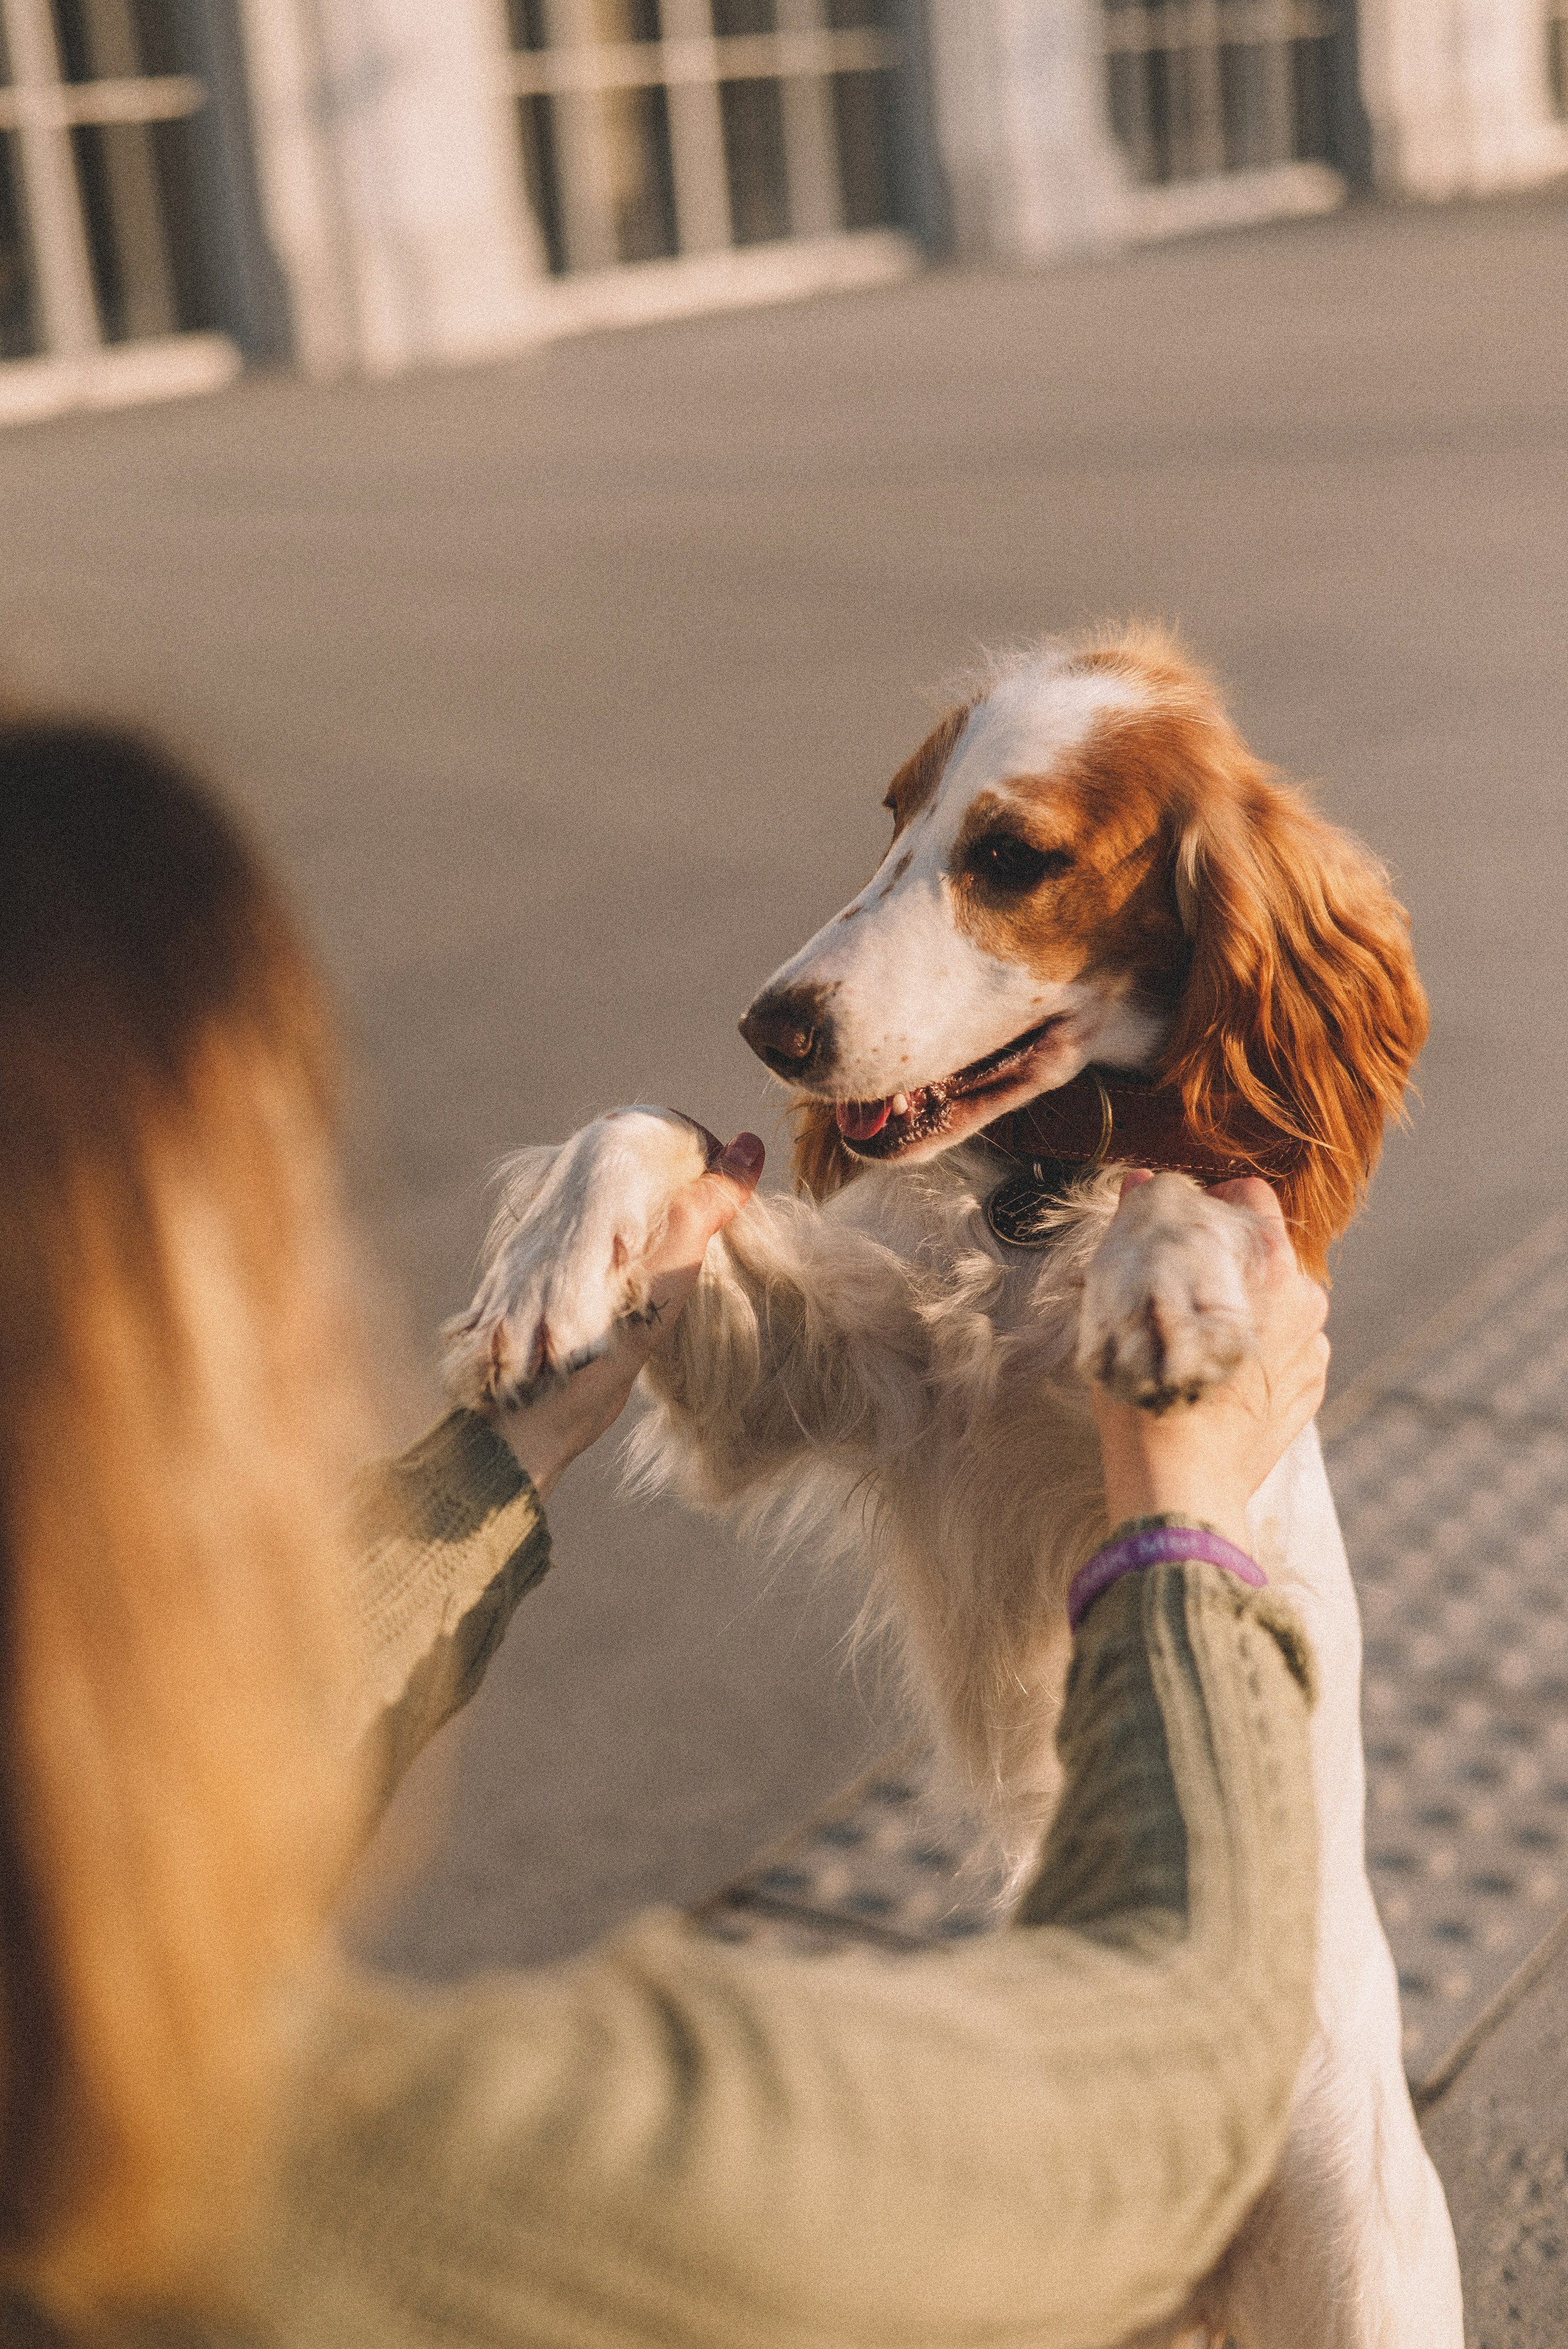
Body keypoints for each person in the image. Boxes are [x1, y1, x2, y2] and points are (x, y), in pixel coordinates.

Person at [0, 720, 1329, 2348]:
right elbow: (1172, 2085)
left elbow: (92, 1799)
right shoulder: (429, 2185)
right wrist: (1184, 1514)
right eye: (292, 1240)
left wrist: (499, 1459)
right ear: (160, 1436)